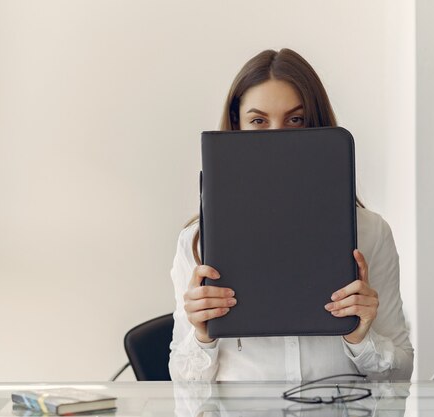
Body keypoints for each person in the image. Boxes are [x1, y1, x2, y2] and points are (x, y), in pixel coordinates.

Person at [168, 48, 414, 382]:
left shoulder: (370, 233)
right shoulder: (197, 242)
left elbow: (400, 377)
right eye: (258, 121)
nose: (276, 136)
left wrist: (361, 335)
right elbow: (184, 387)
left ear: (317, 125)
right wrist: (201, 335)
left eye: (295, 120)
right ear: (236, 127)